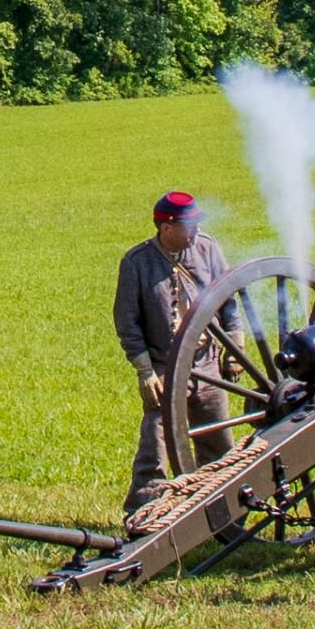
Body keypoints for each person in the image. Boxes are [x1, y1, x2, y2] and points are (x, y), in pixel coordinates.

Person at [113, 191, 240, 515]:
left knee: (218, 443)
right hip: (165, 366)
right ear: (166, 228)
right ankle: (144, 510)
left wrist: (235, 350)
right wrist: (145, 371)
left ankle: (219, 511)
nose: (195, 231)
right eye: (189, 225)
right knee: (155, 446)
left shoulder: (208, 248)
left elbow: (229, 301)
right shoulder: (137, 262)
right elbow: (127, 322)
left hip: (206, 363)